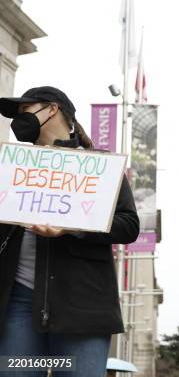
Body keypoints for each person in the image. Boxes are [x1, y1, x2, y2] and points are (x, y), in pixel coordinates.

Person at [0, 87, 140, 377]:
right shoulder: (12, 168)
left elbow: (129, 225)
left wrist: (73, 227)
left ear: (52, 109)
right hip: (19, 304)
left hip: (83, 307)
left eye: (25, 111)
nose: (18, 121)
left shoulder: (99, 167)